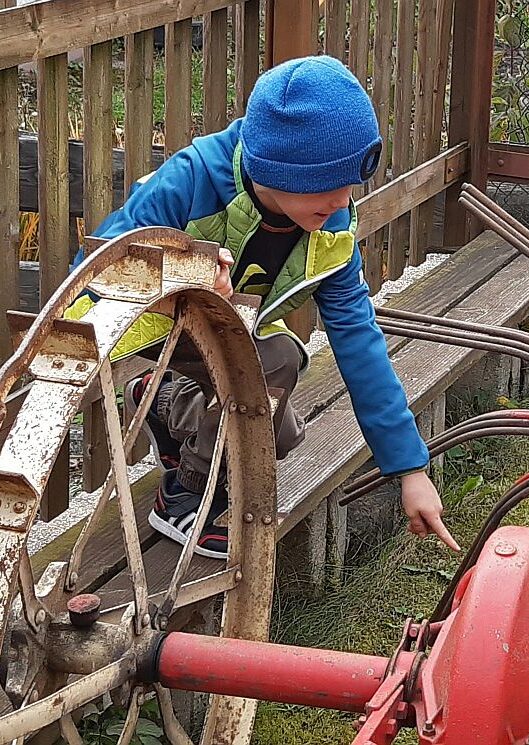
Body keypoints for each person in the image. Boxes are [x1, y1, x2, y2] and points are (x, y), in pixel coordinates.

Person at [65, 56, 459, 559]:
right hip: (145, 323)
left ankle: (163, 401)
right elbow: (90, 279)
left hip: (224, 330)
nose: (344, 202)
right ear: (278, 170)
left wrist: (409, 468)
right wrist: (182, 277)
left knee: (281, 433)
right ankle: (185, 495)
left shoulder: (331, 227)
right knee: (276, 360)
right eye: (329, 184)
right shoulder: (190, 180)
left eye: (351, 185)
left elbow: (359, 339)